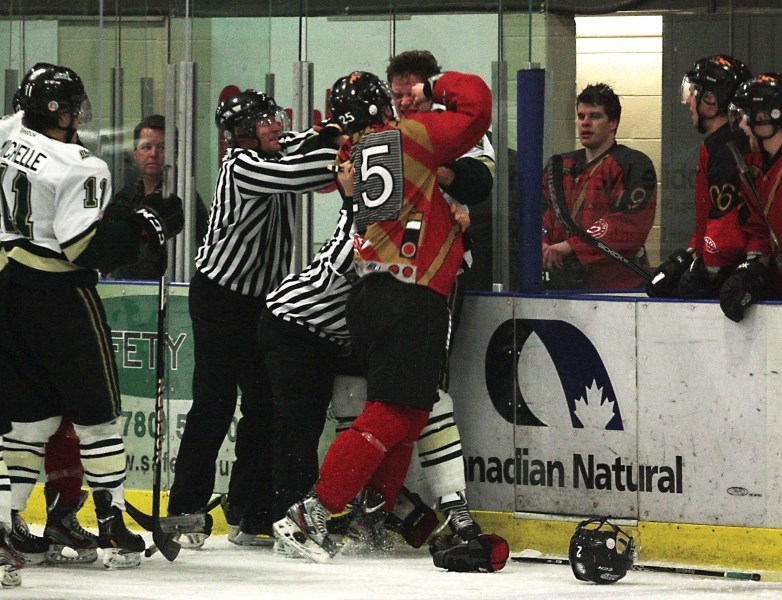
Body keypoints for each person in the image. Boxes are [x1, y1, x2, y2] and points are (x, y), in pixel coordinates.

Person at [273, 69, 492, 563]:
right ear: (383, 105)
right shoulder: (411, 135)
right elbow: (477, 107)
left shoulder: (352, 154)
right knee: (393, 412)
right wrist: (435, 88)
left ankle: (372, 517)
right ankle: (311, 512)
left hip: (373, 293)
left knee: (411, 413)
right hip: (410, 295)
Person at [0, 64, 184, 569]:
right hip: (59, 296)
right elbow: (83, 248)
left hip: (7, 292)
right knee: (98, 417)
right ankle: (111, 522)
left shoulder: (7, 131)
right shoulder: (80, 164)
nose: (79, 113)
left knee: (27, 422)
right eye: (73, 105)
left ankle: (13, 523)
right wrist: (143, 227)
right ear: (58, 111)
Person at [166, 89, 341, 547]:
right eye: (264, 121)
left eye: (274, 116)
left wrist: (338, 132)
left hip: (261, 302)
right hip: (220, 299)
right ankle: (185, 507)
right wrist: (343, 151)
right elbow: (302, 172)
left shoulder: (274, 148)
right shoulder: (242, 166)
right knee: (214, 404)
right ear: (241, 133)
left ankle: (250, 508)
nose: (275, 125)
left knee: (264, 407)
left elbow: (307, 141)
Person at [334, 50, 493, 547]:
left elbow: (479, 181)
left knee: (422, 396)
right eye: (396, 93)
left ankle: (452, 506)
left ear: (430, 88)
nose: (404, 100)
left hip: (435, 278)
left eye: (412, 91)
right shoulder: (396, 136)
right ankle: (377, 502)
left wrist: (434, 170)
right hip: (389, 279)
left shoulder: (430, 131)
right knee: (393, 396)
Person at [647, 55, 767, 300]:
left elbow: (728, 226)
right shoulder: (721, 145)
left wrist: (706, 270)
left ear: (711, 99)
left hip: (737, 278)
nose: (689, 101)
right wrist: (692, 254)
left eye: (693, 93)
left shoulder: (728, 149)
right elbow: (711, 217)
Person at [542, 83, 657, 290]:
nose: (585, 123)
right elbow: (540, 212)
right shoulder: (559, 166)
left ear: (613, 122)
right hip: (562, 283)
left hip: (618, 288)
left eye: (594, 116)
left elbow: (628, 225)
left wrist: (571, 247)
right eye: (581, 116)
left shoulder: (634, 164)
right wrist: (542, 245)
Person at [102, 114, 209, 280]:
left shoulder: (185, 199)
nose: (153, 154)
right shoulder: (126, 196)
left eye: (162, 148)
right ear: (135, 153)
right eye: (146, 147)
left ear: (175, 154)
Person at [718, 72, 782, 321]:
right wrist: (752, 271)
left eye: (745, 116)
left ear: (766, 117)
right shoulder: (753, 169)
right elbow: (758, 231)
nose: (741, 125)